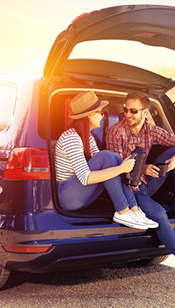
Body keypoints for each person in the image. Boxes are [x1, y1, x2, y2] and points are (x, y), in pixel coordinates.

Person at [106, 92, 175, 281]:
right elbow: (117, 168)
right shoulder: (116, 132)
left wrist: (174, 161)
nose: (127, 114)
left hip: (146, 183)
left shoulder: (151, 130)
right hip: (129, 189)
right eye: (125, 109)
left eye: (133, 111)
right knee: (160, 214)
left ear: (145, 112)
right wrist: (144, 168)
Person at [54, 91, 158, 230]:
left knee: (114, 158)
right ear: (90, 115)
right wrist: (121, 169)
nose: (103, 116)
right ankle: (122, 211)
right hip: (67, 197)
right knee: (108, 157)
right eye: (100, 112)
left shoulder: (88, 137)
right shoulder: (71, 138)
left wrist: (122, 169)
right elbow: (85, 178)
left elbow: (105, 165)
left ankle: (134, 209)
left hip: (80, 196)